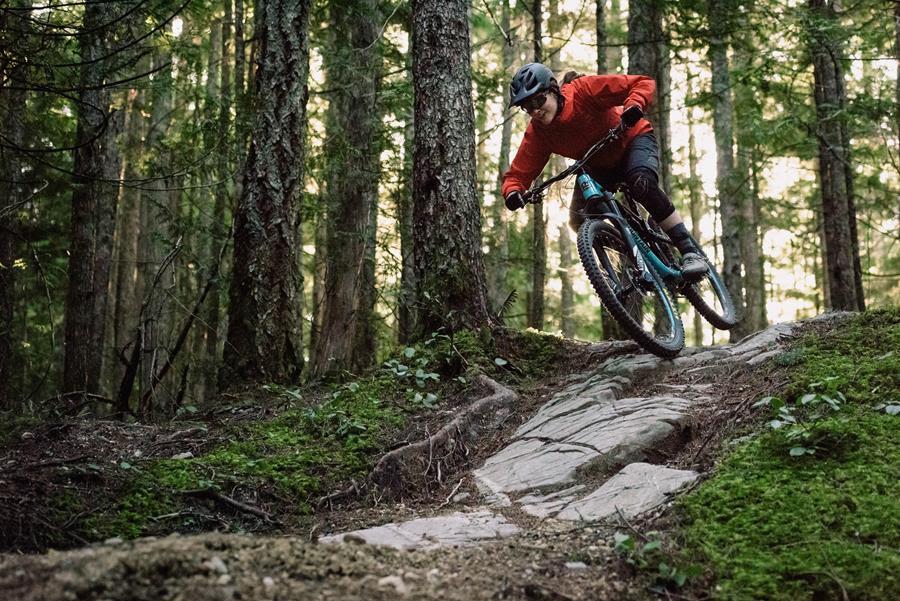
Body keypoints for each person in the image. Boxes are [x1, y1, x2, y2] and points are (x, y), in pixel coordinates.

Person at [501, 62, 708, 280]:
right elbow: (518, 173)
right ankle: (634, 255)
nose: (535, 110)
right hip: (598, 165)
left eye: (538, 100)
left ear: (553, 90)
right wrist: (513, 191)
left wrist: (633, 106)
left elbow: (641, 83)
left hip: (631, 142)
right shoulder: (539, 131)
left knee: (641, 182)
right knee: (579, 219)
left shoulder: (583, 90)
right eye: (527, 107)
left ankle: (690, 252)